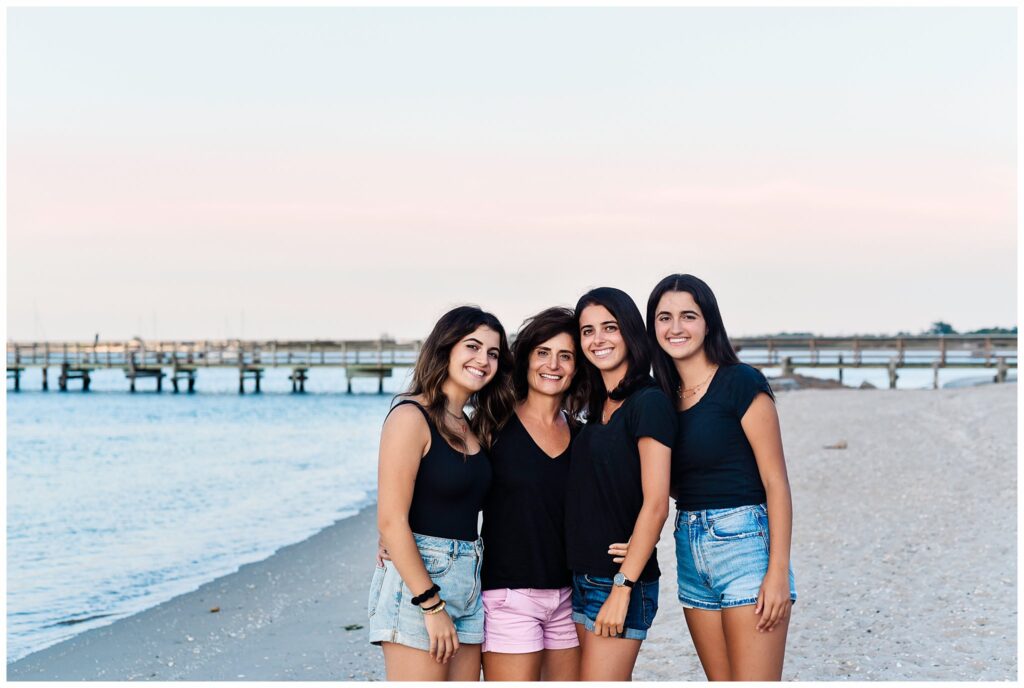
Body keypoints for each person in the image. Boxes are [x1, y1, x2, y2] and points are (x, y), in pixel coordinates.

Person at [645, 273, 797, 681]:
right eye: (664, 317)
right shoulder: (660, 397)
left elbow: (776, 483)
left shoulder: (740, 382)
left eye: (688, 316)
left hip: (744, 544)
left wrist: (778, 572)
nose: (676, 328)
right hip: (689, 548)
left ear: (708, 322)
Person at [368, 305, 515, 681]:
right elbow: (391, 519)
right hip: (421, 582)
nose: (483, 360)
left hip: (469, 579)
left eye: (493, 353)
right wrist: (430, 605)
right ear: (446, 347)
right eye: (472, 346)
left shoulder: (471, 424)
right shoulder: (409, 417)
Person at [565, 287, 675, 681]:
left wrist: (623, 585)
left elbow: (657, 502)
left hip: (616, 581)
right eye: (587, 330)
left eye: (609, 327)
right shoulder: (593, 407)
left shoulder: (649, 402)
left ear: (630, 331)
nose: (598, 340)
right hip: (577, 578)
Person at [479, 307, 588, 681]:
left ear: (577, 367)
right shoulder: (492, 425)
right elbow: (448, 485)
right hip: (509, 596)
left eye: (566, 355)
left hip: (567, 599)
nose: (553, 365)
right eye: (543, 352)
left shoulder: (581, 435)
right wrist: (393, 528)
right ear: (526, 358)